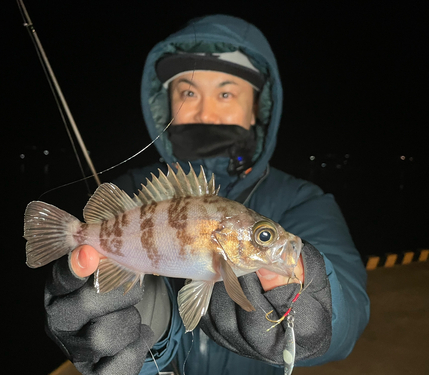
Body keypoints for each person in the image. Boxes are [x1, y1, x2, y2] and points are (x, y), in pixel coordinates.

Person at [43, 15, 370, 375]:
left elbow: (350, 316)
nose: (204, 111)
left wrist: (323, 315)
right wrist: (122, 323)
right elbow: (102, 280)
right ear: (166, 105)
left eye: (226, 93)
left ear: (257, 110)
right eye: (187, 93)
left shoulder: (305, 201)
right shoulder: (130, 189)